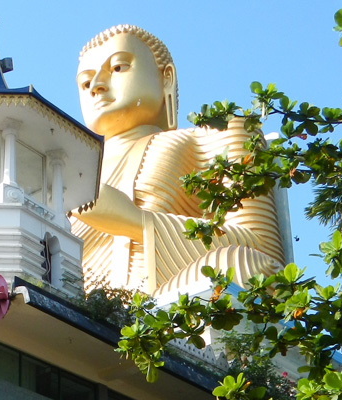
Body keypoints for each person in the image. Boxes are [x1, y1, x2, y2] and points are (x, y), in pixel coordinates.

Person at [71, 25, 285, 297]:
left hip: (167, 305)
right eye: (85, 83)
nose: (97, 87)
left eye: (118, 67)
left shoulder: (219, 134)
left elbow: (265, 254)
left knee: (238, 266)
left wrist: (137, 222)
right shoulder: (58, 170)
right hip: (69, 315)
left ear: (166, 78)